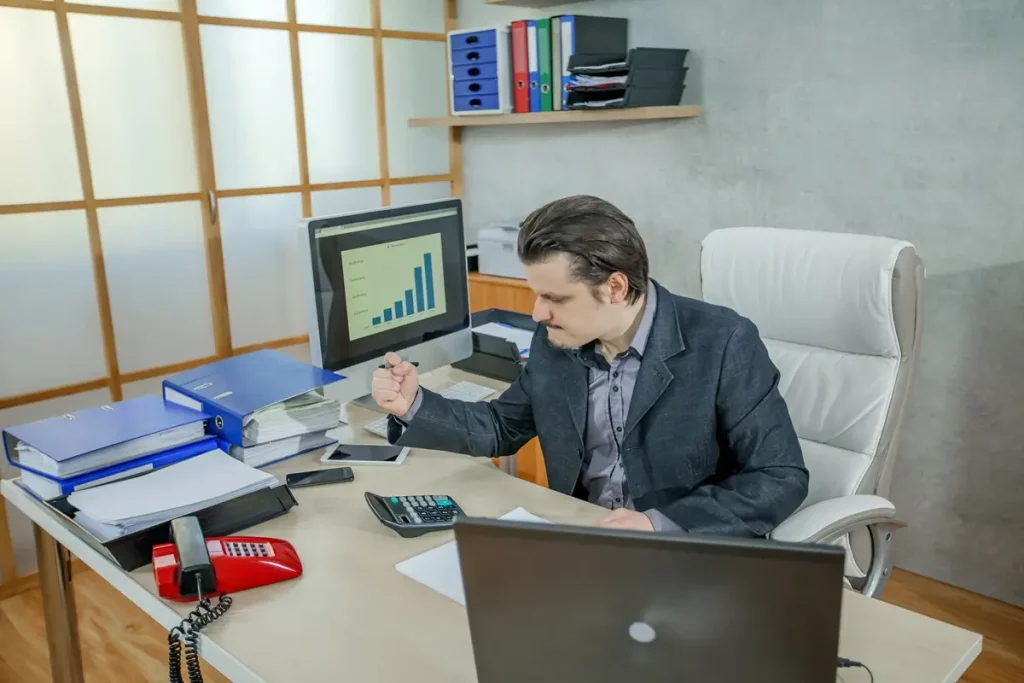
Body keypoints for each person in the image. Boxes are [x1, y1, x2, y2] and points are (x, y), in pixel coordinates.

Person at [371, 195, 808, 535]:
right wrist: (414, 405)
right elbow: (504, 427)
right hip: (581, 535)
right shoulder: (558, 339)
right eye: (536, 295)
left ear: (615, 287)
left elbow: (779, 476)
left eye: (556, 298)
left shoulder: (722, 342)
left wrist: (658, 523)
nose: (538, 314)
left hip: (684, 547)